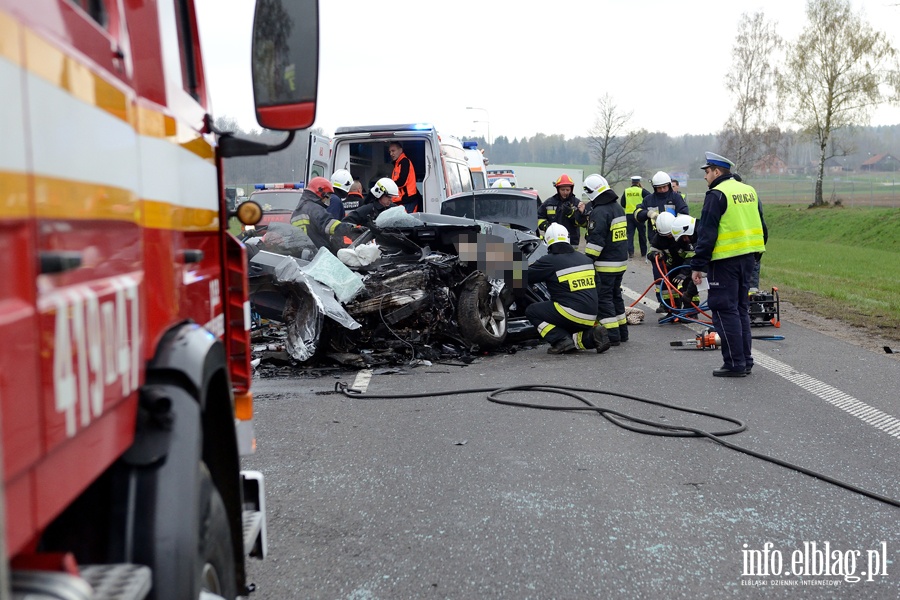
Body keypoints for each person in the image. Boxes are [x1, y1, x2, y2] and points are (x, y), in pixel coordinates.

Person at [690, 152, 767, 378]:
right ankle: (746, 360)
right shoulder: (748, 190)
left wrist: (698, 265)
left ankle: (734, 363)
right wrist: (755, 254)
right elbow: (762, 227)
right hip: (748, 260)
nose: (705, 177)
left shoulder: (717, 194)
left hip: (724, 262)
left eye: (707, 172)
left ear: (716, 171)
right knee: (740, 309)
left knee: (724, 310)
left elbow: (707, 233)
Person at [525, 223, 611, 354]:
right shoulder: (585, 259)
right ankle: (593, 335)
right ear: (567, 238)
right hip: (591, 314)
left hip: (570, 314)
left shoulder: (549, 261)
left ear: (547, 241)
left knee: (532, 311)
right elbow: (598, 286)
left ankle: (560, 341)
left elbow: (523, 277)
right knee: (566, 321)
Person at [583, 173, 629, 345]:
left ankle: (612, 335)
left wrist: (587, 260)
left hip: (605, 264)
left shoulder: (599, 211)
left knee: (604, 299)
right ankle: (623, 332)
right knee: (616, 296)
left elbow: (596, 240)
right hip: (620, 262)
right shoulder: (617, 208)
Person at [634, 171, 690, 309]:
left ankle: (680, 301)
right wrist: (648, 213)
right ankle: (664, 302)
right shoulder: (649, 200)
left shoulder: (676, 198)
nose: (662, 190)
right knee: (659, 273)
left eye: (664, 187)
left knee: (677, 273)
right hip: (657, 241)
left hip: (675, 241)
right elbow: (637, 214)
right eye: (659, 188)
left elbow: (685, 214)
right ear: (654, 188)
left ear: (669, 186)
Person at [648, 212, 699, 318]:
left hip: (686, 266)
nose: (669, 237)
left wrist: (684, 273)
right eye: (665, 235)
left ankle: (691, 312)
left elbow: (692, 256)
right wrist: (654, 254)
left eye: (670, 234)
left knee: (689, 284)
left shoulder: (683, 236)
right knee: (667, 286)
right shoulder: (659, 237)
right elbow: (651, 251)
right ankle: (672, 311)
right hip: (670, 267)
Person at [289, 176, 356, 251]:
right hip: (318, 254)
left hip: (303, 254)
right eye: (328, 195)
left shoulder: (296, 213)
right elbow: (330, 226)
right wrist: (352, 229)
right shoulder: (314, 209)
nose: (328, 199)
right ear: (321, 192)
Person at [537, 174, 587, 246]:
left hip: (571, 242)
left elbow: (583, 224)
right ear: (558, 189)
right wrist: (547, 227)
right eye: (562, 190)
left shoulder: (577, 203)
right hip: (552, 240)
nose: (565, 192)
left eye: (567, 190)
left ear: (571, 189)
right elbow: (539, 217)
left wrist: (572, 214)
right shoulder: (549, 202)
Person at [388, 141, 423, 213]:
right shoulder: (397, 164)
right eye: (390, 151)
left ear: (400, 150)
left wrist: (389, 185)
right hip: (401, 201)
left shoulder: (404, 162)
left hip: (408, 200)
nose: (391, 154)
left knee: (407, 222)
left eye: (393, 151)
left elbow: (402, 182)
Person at [621, 176, 650, 259]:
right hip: (639, 214)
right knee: (642, 234)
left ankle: (630, 253)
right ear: (639, 182)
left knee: (630, 234)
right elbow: (650, 197)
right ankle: (643, 253)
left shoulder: (626, 191)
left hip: (629, 214)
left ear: (632, 182)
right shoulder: (642, 190)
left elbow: (623, 203)